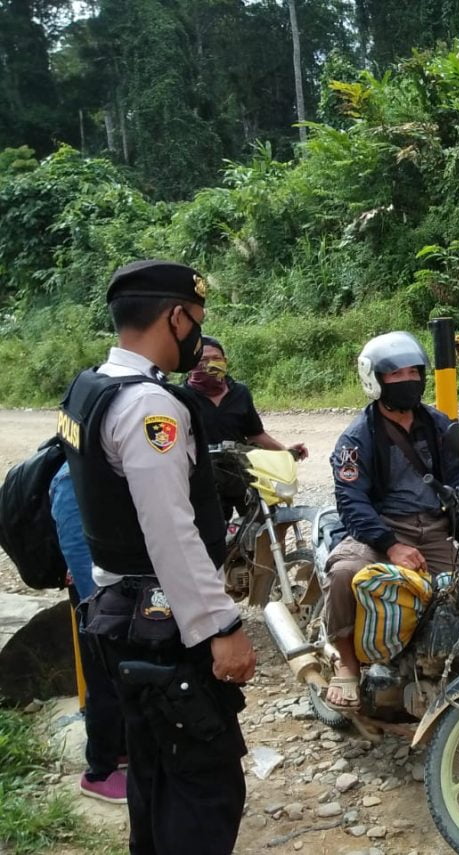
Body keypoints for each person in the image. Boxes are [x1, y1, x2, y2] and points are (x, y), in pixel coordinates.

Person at [58, 259, 257, 854]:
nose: (198, 338)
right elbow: (170, 532)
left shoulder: (88, 388)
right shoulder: (151, 409)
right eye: (195, 321)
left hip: (117, 611)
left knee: (152, 774)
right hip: (163, 626)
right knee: (203, 787)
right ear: (175, 317)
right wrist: (221, 626)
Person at [321, 331, 459, 710]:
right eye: (396, 375)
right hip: (380, 528)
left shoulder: (439, 425)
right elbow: (351, 501)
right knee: (344, 574)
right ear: (374, 380)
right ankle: (347, 663)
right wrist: (391, 544)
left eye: (414, 373)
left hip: (434, 527)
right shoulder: (356, 438)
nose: (408, 381)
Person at [49, 462, 128, 804]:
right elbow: (77, 548)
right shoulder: (72, 475)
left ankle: (120, 750)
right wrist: (99, 607)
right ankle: (98, 771)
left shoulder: (103, 462)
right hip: (96, 598)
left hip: (112, 591)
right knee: (103, 679)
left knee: (121, 676)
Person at [183, 336, 307, 456]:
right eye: (203, 360)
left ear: (225, 361)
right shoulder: (181, 397)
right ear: (190, 364)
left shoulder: (240, 393)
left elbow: (255, 434)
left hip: (237, 470)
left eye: (216, 358)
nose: (211, 364)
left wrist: (286, 452)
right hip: (198, 472)